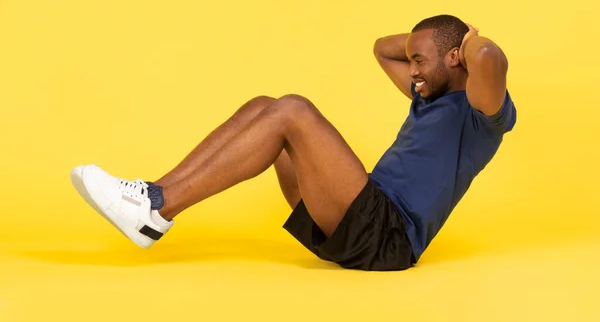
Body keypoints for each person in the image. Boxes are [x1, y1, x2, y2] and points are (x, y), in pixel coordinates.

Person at [70, 14, 516, 271]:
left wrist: (468, 41)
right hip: (356, 217)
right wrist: (433, 45)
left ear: (455, 59)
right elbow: (382, 47)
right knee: (265, 105)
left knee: (292, 110)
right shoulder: (427, 95)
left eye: (420, 61)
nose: (412, 70)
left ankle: (157, 208)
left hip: (388, 237)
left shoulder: (481, 115)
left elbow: (490, 59)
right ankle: (153, 201)